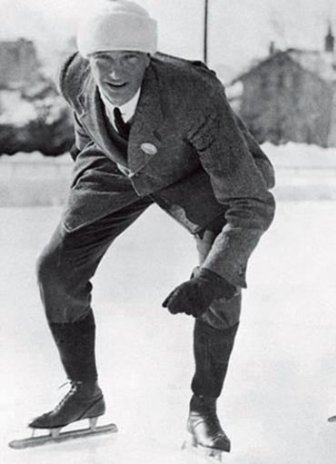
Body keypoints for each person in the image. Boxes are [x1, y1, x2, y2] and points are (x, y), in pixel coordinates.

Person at [27, 0, 275, 455]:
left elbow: (250, 203)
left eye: (130, 58)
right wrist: (86, 189)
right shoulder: (73, 73)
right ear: (87, 58)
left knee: (221, 281)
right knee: (55, 268)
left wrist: (212, 277)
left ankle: (203, 409)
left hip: (196, 171)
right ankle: (84, 390)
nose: (115, 72)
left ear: (148, 57)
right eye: (104, 58)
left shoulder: (193, 93)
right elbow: (85, 130)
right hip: (116, 164)